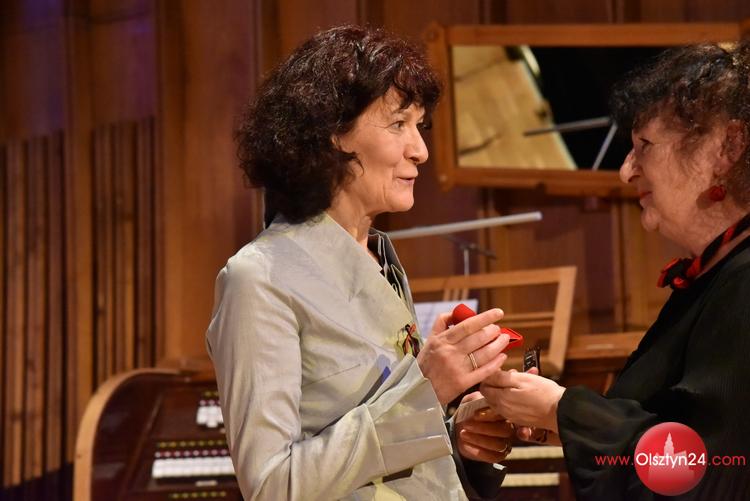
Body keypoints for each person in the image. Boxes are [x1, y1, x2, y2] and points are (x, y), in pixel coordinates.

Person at [206, 25, 515, 501]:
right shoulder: (259, 278)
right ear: (333, 131)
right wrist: (425, 393)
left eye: (420, 126)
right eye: (398, 124)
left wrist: (455, 434)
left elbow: (375, 442)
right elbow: (271, 486)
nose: (421, 150)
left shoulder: (379, 259)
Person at [480, 41, 750, 500]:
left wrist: (560, 410)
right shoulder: (714, 272)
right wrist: (558, 419)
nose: (626, 171)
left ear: (728, 146)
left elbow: (701, 473)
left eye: (645, 146)